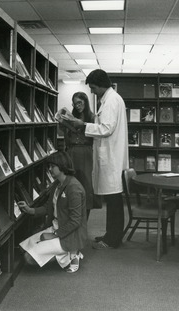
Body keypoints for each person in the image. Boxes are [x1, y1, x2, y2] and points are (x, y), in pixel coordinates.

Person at [70, 69, 129, 249]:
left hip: (111, 157)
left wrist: (83, 125)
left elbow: (107, 129)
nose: (93, 92)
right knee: (112, 201)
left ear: (102, 85)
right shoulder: (110, 99)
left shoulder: (111, 101)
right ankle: (110, 235)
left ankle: (113, 239)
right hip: (110, 155)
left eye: (94, 88)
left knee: (114, 201)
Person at [18, 151, 87, 273]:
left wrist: (55, 234)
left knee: (28, 258)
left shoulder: (74, 187)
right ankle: (66, 253)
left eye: (52, 166)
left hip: (70, 234)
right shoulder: (57, 184)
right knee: (23, 248)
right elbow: (48, 207)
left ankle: (72, 254)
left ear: (62, 166)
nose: (49, 169)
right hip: (56, 226)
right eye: (49, 166)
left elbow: (75, 221)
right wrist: (30, 210)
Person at [61, 92, 95, 218]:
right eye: (75, 103)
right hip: (71, 151)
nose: (77, 106)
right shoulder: (71, 116)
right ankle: (72, 216)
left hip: (85, 151)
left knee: (85, 184)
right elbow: (67, 136)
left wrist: (82, 125)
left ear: (85, 102)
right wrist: (63, 126)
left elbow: (94, 135)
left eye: (80, 102)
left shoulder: (91, 117)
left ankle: (85, 218)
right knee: (71, 183)